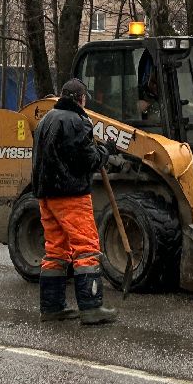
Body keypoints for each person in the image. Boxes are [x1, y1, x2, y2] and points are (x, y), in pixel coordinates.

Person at [32, 78, 116, 326]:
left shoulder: (46, 120)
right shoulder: (77, 122)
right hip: (70, 194)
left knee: (55, 250)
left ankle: (52, 307)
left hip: (46, 195)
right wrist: (106, 151)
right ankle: (91, 307)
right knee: (86, 248)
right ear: (81, 98)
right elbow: (87, 161)